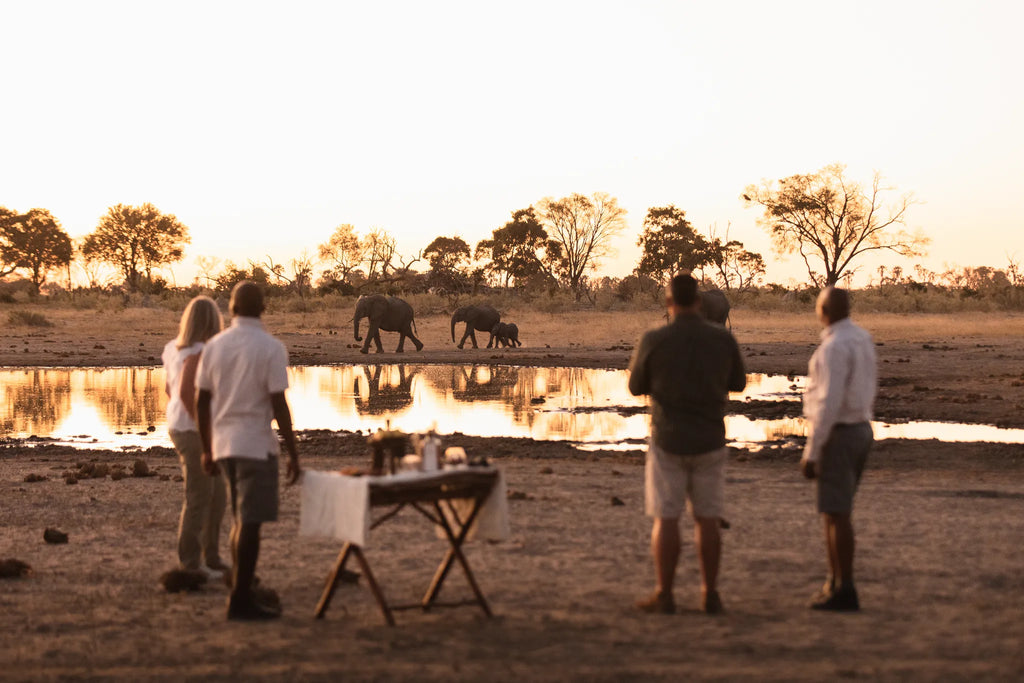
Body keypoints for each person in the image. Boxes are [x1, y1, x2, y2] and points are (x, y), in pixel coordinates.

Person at [627, 273, 746, 614]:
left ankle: (665, 594)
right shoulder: (722, 339)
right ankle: (710, 594)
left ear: (669, 302)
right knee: (707, 518)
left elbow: (636, 387)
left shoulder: (654, 338)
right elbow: (738, 383)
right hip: (710, 438)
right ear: (699, 301)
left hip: (668, 438)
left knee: (666, 518)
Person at [196, 281, 300, 621]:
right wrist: (293, 453)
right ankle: (240, 599)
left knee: (240, 520)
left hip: (224, 446)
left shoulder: (214, 346)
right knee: (250, 524)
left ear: (232, 308)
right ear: (263, 309)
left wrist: (207, 449)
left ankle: (242, 589)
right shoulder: (271, 347)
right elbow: (278, 404)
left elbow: (202, 401)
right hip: (255, 445)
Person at [800, 286, 877, 611]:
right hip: (861, 428)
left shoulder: (834, 346)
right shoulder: (862, 338)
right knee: (835, 512)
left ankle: (844, 587)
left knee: (837, 513)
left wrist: (812, 450)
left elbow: (828, 404)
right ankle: (833, 583)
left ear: (824, 311)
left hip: (839, 434)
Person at [162, 296, 228, 578]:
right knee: (199, 496)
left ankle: (210, 557)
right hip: (194, 431)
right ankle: (191, 562)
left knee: (217, 494)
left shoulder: (173, 349)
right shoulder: (200, 352)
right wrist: (203, 428)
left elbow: (169, 390)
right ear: (213, 322)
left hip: (183, 426)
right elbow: (186, 392)